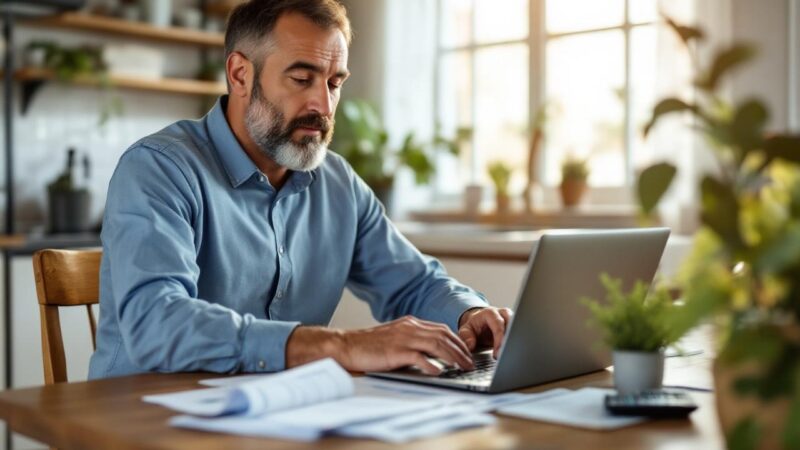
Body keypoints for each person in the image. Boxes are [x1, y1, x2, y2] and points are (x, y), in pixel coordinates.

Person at [88, 0, 512, 379]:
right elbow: (156, 323)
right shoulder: (159, 168)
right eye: (301, 78)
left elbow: (412, 284)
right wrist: (342, 346)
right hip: (143, 422)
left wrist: (469, 313)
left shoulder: (338, 183)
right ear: (240, 74)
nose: (323, 106)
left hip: (276, 416)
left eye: (334, 83)